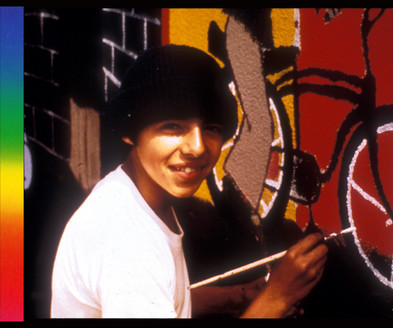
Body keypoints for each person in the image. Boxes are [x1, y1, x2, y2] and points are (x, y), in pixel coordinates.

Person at [50, 44, 328, 318]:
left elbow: (157, 296)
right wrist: (276, 298)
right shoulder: (127, 241)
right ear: (130, 131)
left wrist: (236, 297)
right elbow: (140, 279)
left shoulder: (134, 194)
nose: (197, 147)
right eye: (173, 126)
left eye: (211, 128)